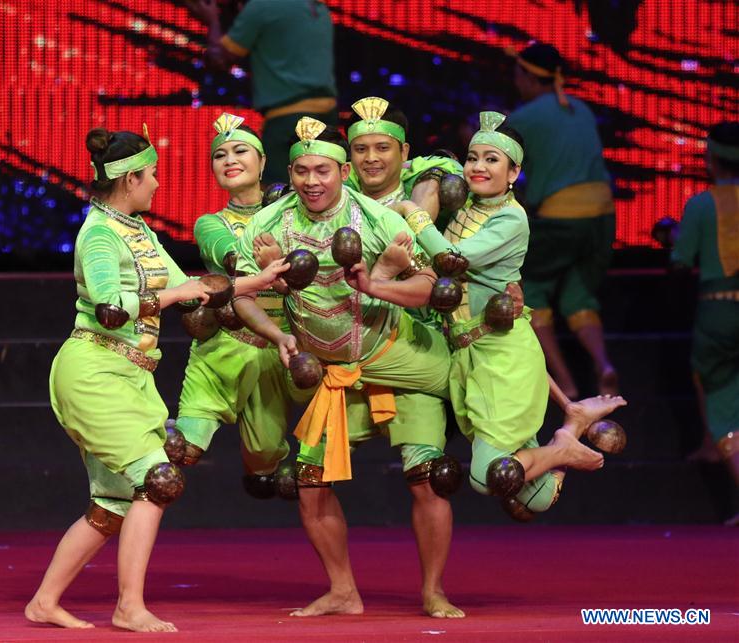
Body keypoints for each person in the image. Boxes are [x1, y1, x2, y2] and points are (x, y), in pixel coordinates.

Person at [25, 126, 286, 632]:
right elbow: (108, 309)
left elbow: (193, 289)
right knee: (158, 479)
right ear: (129, 179)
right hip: (94, 370)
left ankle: (45, 602)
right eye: (152, 177)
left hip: (131, 375)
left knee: (112, 503)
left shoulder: (137, 230)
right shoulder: (99, 234)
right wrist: (168, 298)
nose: (158, 186)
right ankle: (129, 607)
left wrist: (259, 281)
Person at [233, 116, 466, 619]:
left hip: (399, 360)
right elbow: (240, 296)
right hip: (335, 377)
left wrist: (374, 286)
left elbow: (431, 286)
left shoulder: (381, 219)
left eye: (322, 170)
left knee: (427, 476)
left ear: (343, 171)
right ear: (290, 173)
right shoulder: (267, 224)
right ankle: (342, 591)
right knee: (309, 484)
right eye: (301, 171)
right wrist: (276, 328)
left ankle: (434, 591)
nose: (311, 181)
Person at [394, 112, 618, 517]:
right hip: (469, 357)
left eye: (492, 160)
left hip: (502, 357)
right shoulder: (465, 204)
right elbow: (428, 165)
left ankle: (564, 445)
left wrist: (413, 213)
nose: (479, 167)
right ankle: (574, 421)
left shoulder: (511, 218)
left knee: (487, 477)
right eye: (473, 157)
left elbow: (452, 259)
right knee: (535, 496)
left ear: (514, 172)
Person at [175, 113, 294, 495]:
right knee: (184, 448)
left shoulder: (295, 215)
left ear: (262, 162)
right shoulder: (210, 224)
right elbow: (234, 260)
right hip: (226, 347)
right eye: (220, 155)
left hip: (280, 348)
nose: (229, 160)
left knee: (264, 457)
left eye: (240, 150)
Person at [507, 43, 618, 400]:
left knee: (530, 290)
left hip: (561, 218)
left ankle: (566, 382)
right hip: (602, 218)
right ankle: (603, 364)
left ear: (525, 75)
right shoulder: (580, 109)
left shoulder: (524, 118)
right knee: (576, 291)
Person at [670, 121, 739, 525]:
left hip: (718, 311)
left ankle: (716, 443)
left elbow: (680, 264)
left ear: (711, 160)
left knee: (718, 398)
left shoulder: (700, 205)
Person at [188, 0, 337, 183]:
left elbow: (218, 58)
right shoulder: (317, 7)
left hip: (287, 121)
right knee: (323, 193)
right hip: (327, 117)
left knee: (278, 197)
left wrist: (211, 20)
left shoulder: (262, 6)